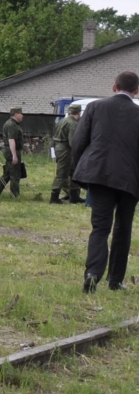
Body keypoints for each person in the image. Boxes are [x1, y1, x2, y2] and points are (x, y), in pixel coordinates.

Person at [71, 71, 139, 293]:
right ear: (136, 91)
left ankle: (92, 274)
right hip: (130, 179)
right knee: (123, 228)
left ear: (114, 87)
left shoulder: (95, 107)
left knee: (100, 227)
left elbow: (79, 141)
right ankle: (115, 280)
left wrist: (79, 169)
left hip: (99, 174)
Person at [51, 102, 82, 204]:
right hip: (66, 149)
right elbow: (72, 141)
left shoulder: (62, 121)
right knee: (62, 173)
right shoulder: (72, 123)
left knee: (73, 172)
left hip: (59, 147)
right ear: (79, 113)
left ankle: (74, 196)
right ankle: (54, 197)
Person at [0, 107, 25, 198]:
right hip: (12, 151)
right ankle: (15, 195)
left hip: (11, 150)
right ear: (15, 114)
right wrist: (14, 156)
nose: (22, 115)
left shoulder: (13, 124)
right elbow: (11, 140)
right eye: (20, 113)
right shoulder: (11, 125)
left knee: (7, 173)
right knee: (15, 174)